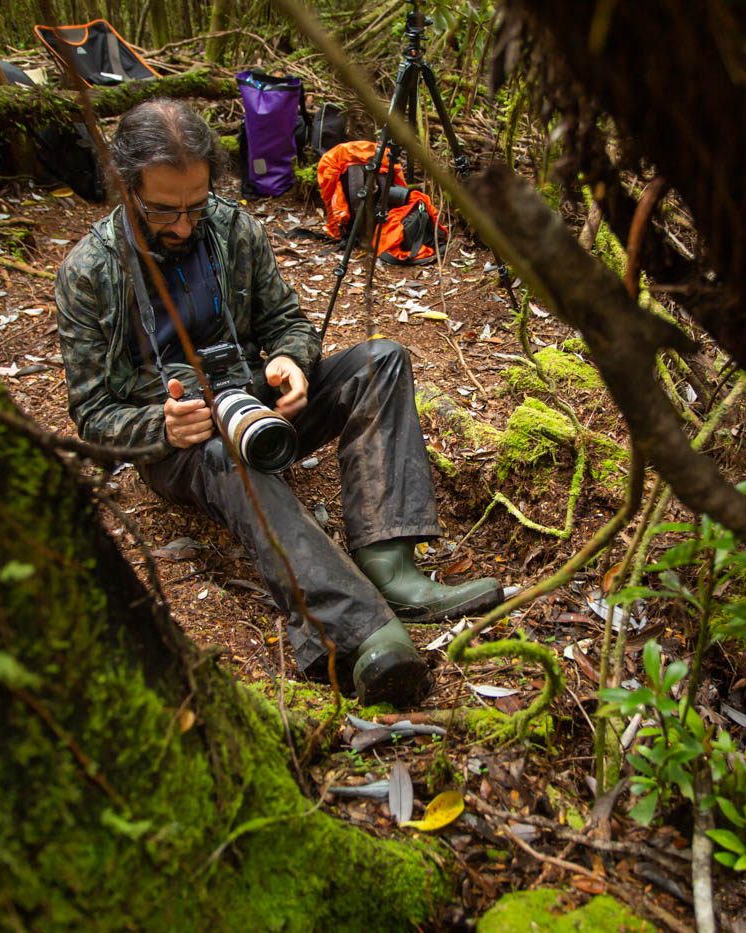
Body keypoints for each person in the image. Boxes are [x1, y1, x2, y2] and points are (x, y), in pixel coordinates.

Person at [55, 99, 502, 707]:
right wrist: (161, 426)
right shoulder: (91, 271)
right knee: (227, 457)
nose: (184, 225)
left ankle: (390, 565)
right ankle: (359, 631)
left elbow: (289, 321)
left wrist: (290, 361)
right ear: (125, 185)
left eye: (195, 204)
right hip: (185, 436)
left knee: (381, 360)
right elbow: (93, 412)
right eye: (163, 209)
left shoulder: (232, 228)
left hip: (253, 396)